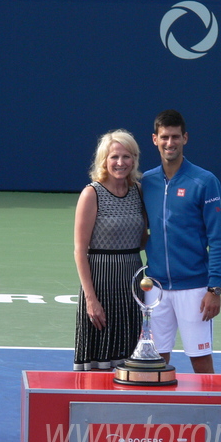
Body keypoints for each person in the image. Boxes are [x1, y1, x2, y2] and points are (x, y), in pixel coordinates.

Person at [141, 109, 221, 374]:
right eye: (164, 137)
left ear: (185, 138)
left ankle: (209, 415)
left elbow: (217, 238)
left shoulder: (205, 181)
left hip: (195, 290)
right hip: (155, 289)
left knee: (200, 361)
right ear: (155, 139)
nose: (170, 143)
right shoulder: (146, 181)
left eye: (175, 137)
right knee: (156, 361)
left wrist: (214, 289)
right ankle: (156, 416)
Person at [73, 129, 148, 371]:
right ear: (104, 160)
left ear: (134, 159)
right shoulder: (91, 193)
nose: (120, 162)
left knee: (129, 364)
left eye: (127, 157)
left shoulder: (138, 191)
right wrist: (90, 299)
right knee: (98, 365)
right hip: (101, 287)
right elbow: (79, 250)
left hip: (131, 287)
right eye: (114, 157)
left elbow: (143, 238)